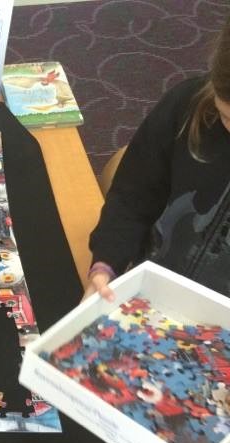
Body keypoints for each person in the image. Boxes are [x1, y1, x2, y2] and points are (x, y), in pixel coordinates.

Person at [86, 17, 230, 302]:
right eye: (226, 116)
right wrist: (106, 263)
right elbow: (131, 197)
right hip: (149, 292)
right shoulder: (187, 104)